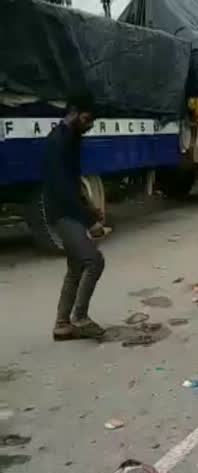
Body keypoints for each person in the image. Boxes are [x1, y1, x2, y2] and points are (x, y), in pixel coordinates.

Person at [45, 94, 106, 341]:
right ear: (74, 113)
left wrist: (90, 209)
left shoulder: (71, 138)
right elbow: (62, 189)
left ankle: (62, 324)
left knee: (76, 267)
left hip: (68, 210)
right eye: (88, 118)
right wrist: (89, 220)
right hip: (62, 213)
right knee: (94, 261)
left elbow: (73, 184)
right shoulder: (59, 142)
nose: (90, 125)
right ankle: (79, 318)